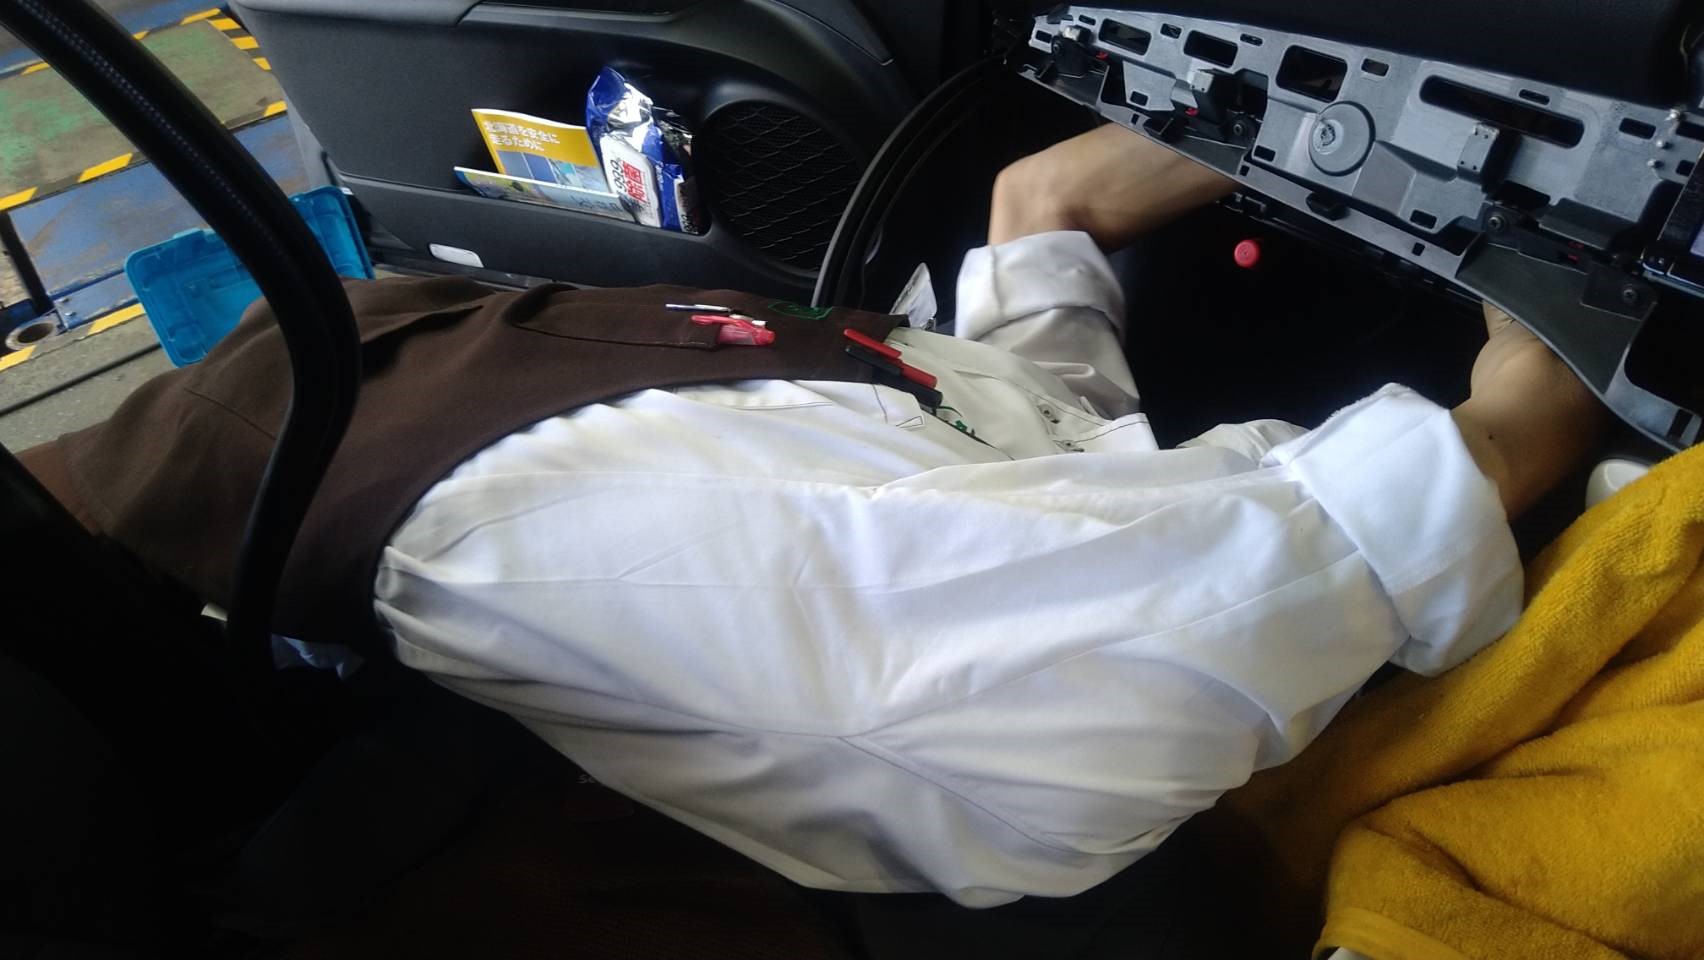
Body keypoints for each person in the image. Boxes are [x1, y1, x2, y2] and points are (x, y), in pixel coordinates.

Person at [373, 123, 1607, 907]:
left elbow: (1009, 421)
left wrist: (1093, 195)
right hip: (1248, 641)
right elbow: (1254, 589)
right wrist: (1548, 344)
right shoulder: (548, 536)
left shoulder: (466, 393)